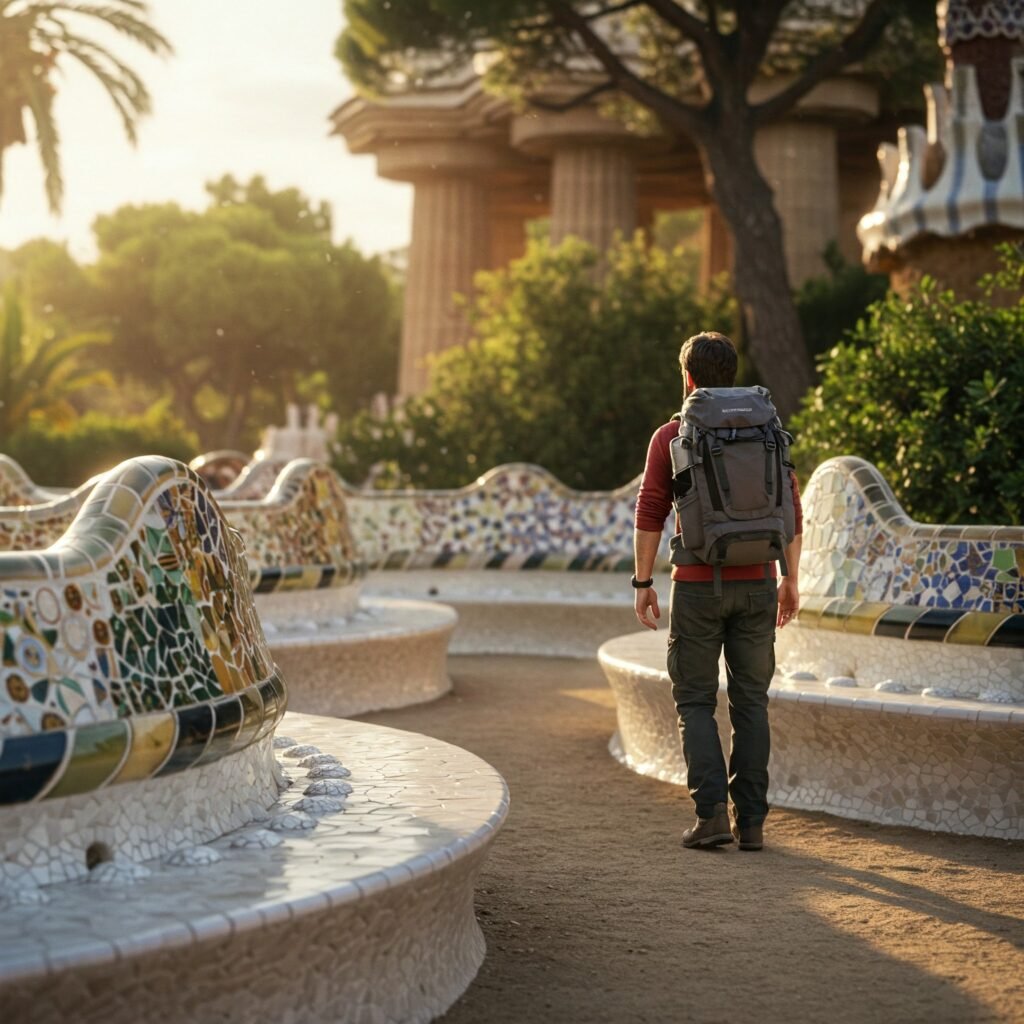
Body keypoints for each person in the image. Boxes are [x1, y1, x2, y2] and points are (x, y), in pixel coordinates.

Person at [631, 332, 802, 852]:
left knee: (696, 701)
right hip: (759, 585)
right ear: (731, 374)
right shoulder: (769, 430)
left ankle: (711, 817)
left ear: (687, 378)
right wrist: (790, 579)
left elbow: (651, 509)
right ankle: (751, 822)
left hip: (698, 587)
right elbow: (792, 511)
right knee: (752, 703)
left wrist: (642, 582)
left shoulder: (671, 435)